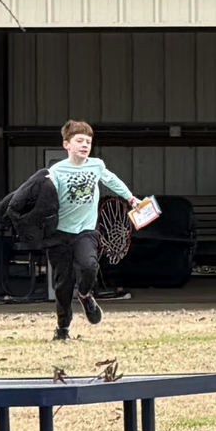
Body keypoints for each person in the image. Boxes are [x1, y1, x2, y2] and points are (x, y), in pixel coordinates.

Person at [46, 120, 139, 341]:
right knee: (62, 284)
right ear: (67, 144)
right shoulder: (56, 171)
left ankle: (85, 295)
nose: (85, 145)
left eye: (88, 141)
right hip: (60, 233)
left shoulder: (96, 165)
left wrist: (130, 197)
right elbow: (46, 199)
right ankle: (62, 329)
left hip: (85, 230)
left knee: (89, 265)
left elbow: (112, 181)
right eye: (79, 141)